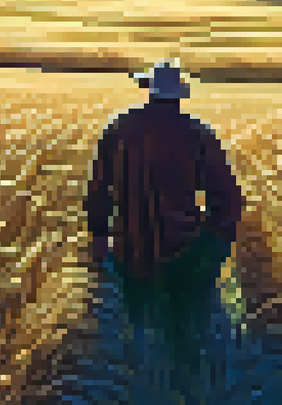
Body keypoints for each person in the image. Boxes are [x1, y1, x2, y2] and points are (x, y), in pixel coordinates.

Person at [83, 59, 245, 365]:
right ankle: (187, 396)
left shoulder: (117, 129)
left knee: (135, 328)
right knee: (184, 332)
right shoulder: (199, 134)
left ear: (149, 91)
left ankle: (135, 392)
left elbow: (98, 192)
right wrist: (213, 245)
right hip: (184, 248)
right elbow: (228, 200)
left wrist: (99, 237)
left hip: (129, 247)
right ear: (179, 96)